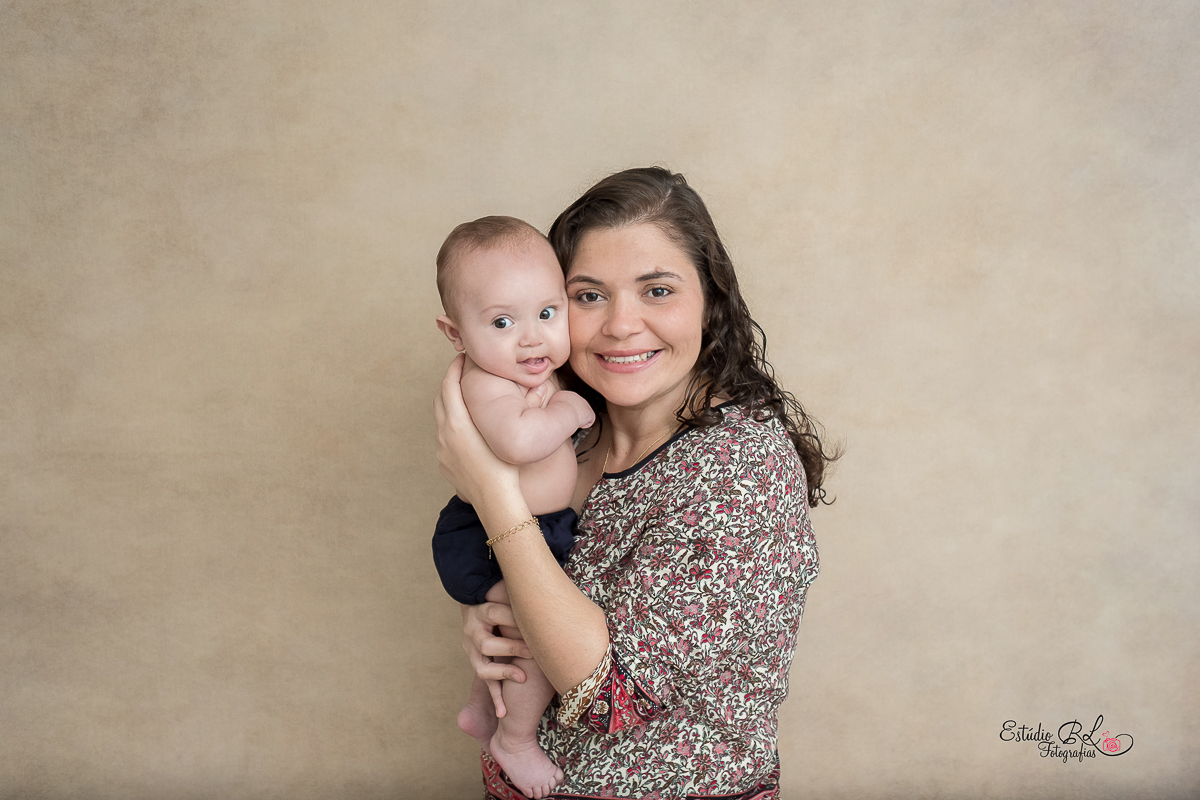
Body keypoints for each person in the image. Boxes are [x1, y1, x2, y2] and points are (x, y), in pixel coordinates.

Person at [435, 168, 835, 798]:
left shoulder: (739, 466)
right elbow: (534, 590)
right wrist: (488, 621)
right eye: (589, 295)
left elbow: (609, 699)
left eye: (657, 290)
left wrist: (491, 492)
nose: (621, 325)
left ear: (710, 299)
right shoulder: (572, 428)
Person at [432, 216, 596, 798]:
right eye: (503, 322)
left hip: (531, 527)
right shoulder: (484, 381)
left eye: (548, 314)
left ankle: (482, 710)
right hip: (485, 531)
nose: (531, 338)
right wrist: (569, 412)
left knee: (510, 628)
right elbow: (518, 443)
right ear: (456, 334)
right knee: (530, 632)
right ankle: (516, 740)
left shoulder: (530, 370)